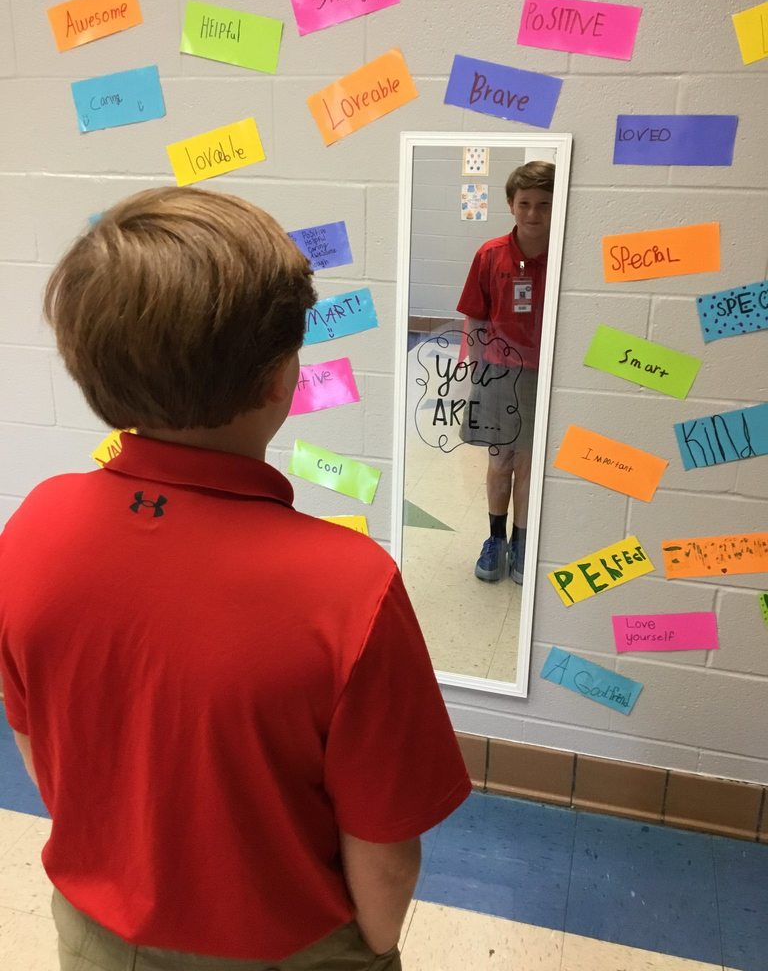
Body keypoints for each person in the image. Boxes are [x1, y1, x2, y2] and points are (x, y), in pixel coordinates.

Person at [0, 187, 471, 971]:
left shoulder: (31, 530)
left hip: (95, 937)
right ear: (278, 381)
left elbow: (39, 749)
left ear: (91, 371)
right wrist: (373, 953)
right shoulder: (351, 588)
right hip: (290, 951)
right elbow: (385, 855)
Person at [456, 161, 555, 584]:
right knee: (500, 463)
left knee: (530, 466)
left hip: (544, 376)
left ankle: (521, 540)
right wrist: (475, 372)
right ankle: (495, 538)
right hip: (496, 374)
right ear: (511, 205)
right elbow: (475, 319)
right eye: (525, 204)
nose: (533, 214)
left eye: (544, 205)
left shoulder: (568, 254)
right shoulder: (490, 254)